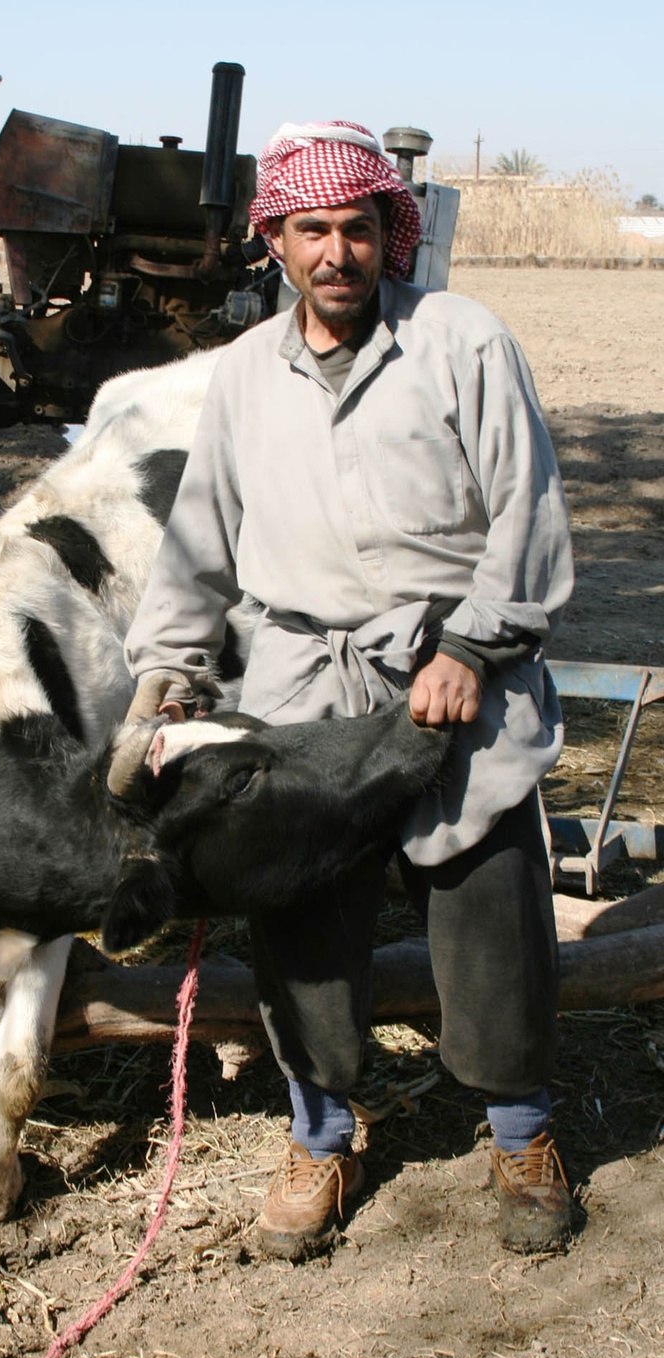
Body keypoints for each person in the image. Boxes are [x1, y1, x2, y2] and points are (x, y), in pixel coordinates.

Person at [123, 120, 576, 1259]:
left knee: (491, 906)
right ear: (273, 239)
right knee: (302, 922)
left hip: (454, 670)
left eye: (358, 229)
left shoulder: (463, 342)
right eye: (311, 230)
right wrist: (167, 678)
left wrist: (469, 652)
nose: (336, 253)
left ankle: (520, 1131)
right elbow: (197, 539)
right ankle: (321, 1138)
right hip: (300, 677)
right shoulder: (239, 375)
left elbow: (526, 516)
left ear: (390, 234)